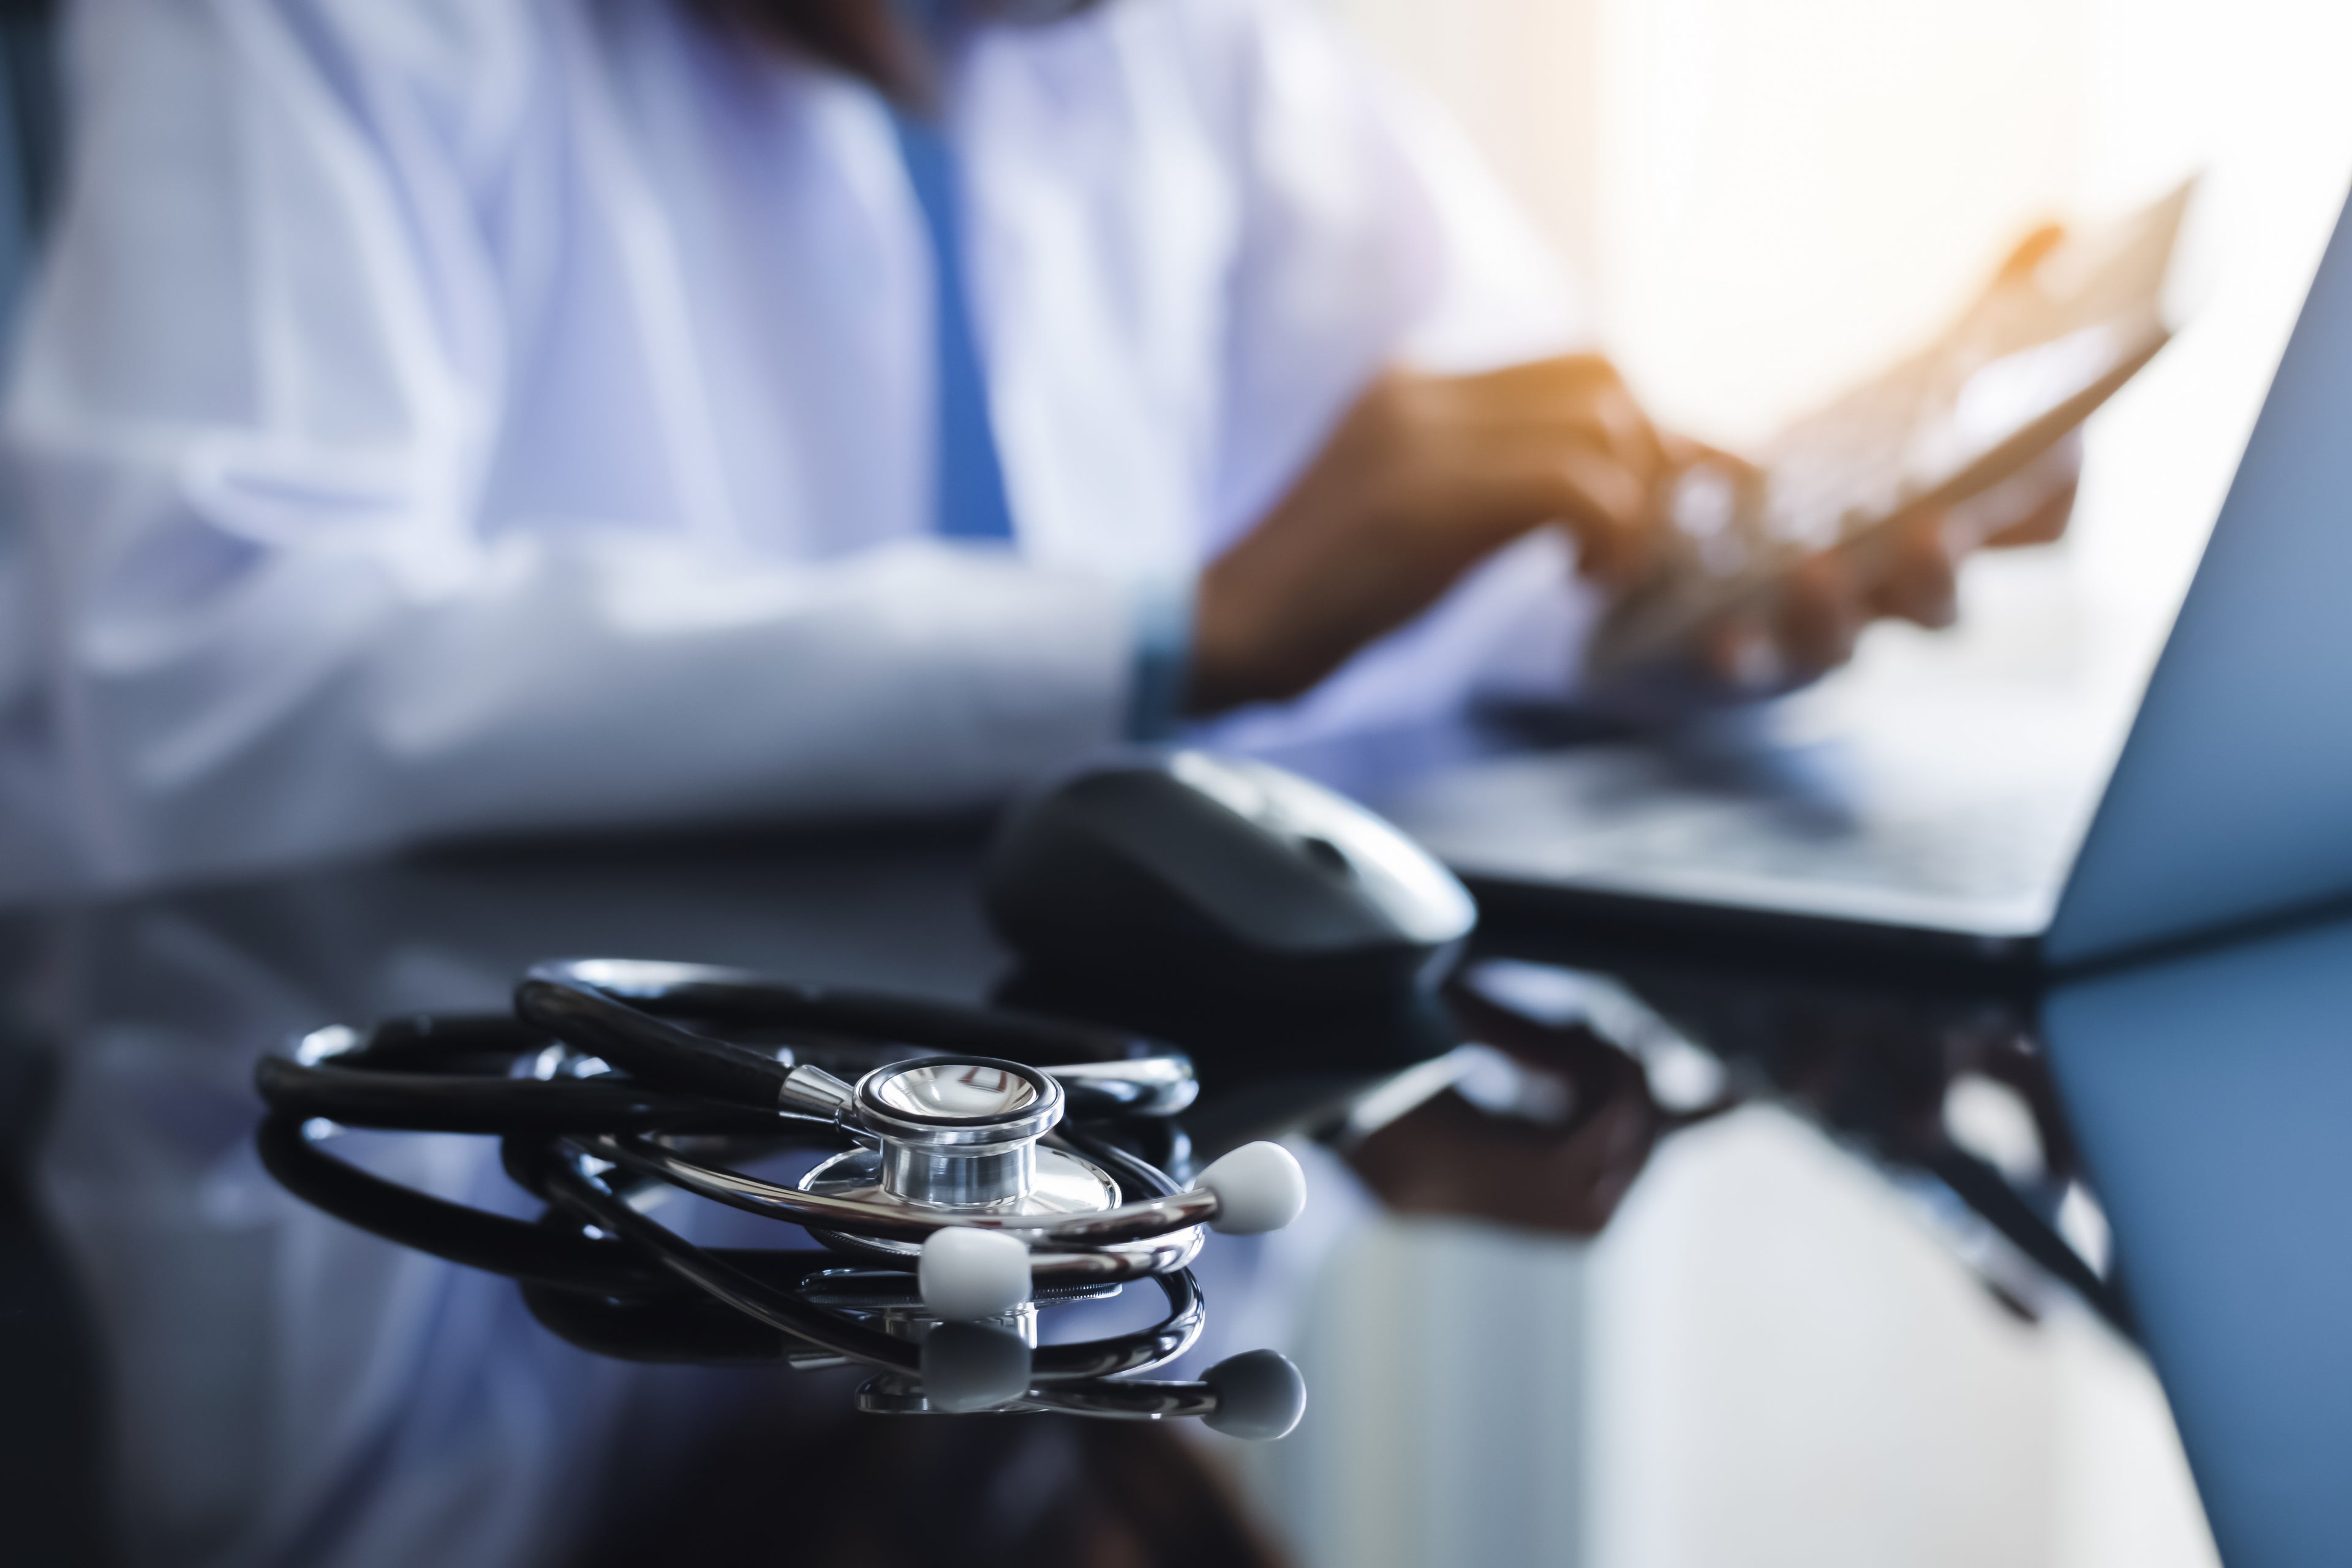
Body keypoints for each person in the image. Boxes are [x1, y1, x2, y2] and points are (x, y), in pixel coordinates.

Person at [0, 0, 2074, 895]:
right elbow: (212, 675)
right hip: (405, 1188)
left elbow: (1472, 538)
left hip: (1035, 1168)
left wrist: (1692, 591)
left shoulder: (1163, 50)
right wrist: (1181, 629)